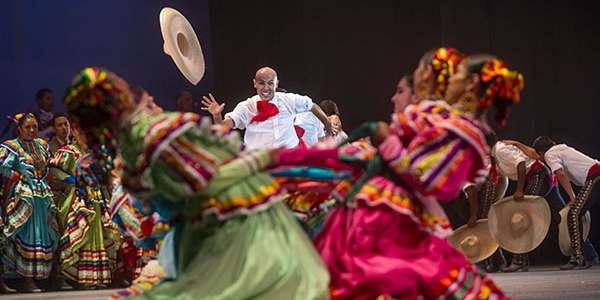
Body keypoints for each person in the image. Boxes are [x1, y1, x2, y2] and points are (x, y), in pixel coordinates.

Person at [64, 66, 329, 299]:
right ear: (121, 100)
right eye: (147, 102)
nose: (155, 102)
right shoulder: (164, 130)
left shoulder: (125, 162)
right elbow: (223, 153)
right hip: (232, 228)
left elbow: (143, 225)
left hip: (190, 239)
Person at [509, 136, 600, 270]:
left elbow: (560, 173)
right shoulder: (560, 148)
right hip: (596, 174)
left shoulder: (550, 154)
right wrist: (517, 143)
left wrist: (572, 196)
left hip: (595, 176)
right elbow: (535, 154)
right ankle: (589, 257)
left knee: (573, 213)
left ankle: (579, 259)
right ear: (553, 143)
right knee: (575, 213)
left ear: (541, 153)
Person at [49, 124, 122, 289]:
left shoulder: (93, 152)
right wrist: (70, 180)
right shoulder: (69, 151)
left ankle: (95, 276)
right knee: (82, 233)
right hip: (78, 197)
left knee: (97, 232)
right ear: (74, 132)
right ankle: (80, 277)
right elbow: (53, 168)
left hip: (97, 196)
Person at [201, 66, 335, 150]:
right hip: (260, 163)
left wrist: (327, 124)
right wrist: (217, 115)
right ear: (254, 84)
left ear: (277, 83)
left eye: (270, 83)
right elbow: (223, 128)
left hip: (290, 158)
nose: (266, 88)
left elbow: (312, 105)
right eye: (261, 83)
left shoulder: (288, 100)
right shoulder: (246, 107)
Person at [0, 113, 60, 293]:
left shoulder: (41, 145)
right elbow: (2, 165)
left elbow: (48, 165)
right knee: (25, 235)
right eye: (28, 127)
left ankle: (35, 277)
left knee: (41, 236)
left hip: (41, 198)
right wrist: (15, 175)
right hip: (24, 198)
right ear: (19, 128)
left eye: (35, 127)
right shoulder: (11, 146)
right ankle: (24, 279)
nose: (32, 130)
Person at [491, 139, 567, 271]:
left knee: (521, 215)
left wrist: (519, 189)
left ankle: (520, 261)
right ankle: (588, 254)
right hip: (544, 174)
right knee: (562, 216)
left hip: (539, 175)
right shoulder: (499, 149)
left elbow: (521, 165)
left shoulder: (499, 150)